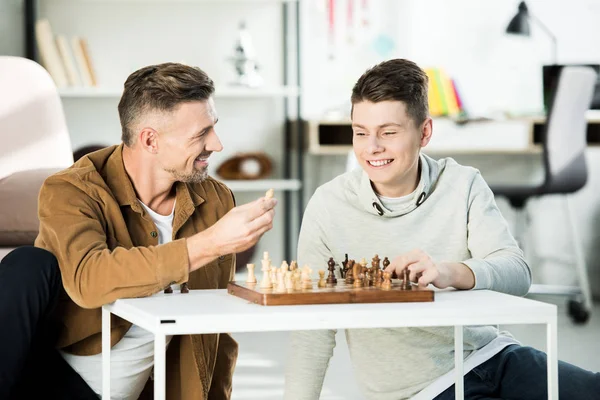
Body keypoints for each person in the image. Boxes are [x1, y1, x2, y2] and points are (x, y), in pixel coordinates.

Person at [284, 59, 599, 400]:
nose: (371, 147)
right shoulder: (329, 205)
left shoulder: (463, 183)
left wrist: (449, 272)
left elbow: (517, 272)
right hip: (423, 390)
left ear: (424, 133)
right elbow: (312, 330)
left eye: (388, 132)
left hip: (496, 356)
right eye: (360, 132)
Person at [0, 62, 277, 399]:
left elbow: (213, 332)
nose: (217, 145)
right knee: (27, 264)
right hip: (45, 380)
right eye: (200, 134)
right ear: (150, 140)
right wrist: (209, 244)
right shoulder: (73, 189)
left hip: (140, 392)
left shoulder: (215, 199)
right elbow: (90, 279)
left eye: (213, 128)